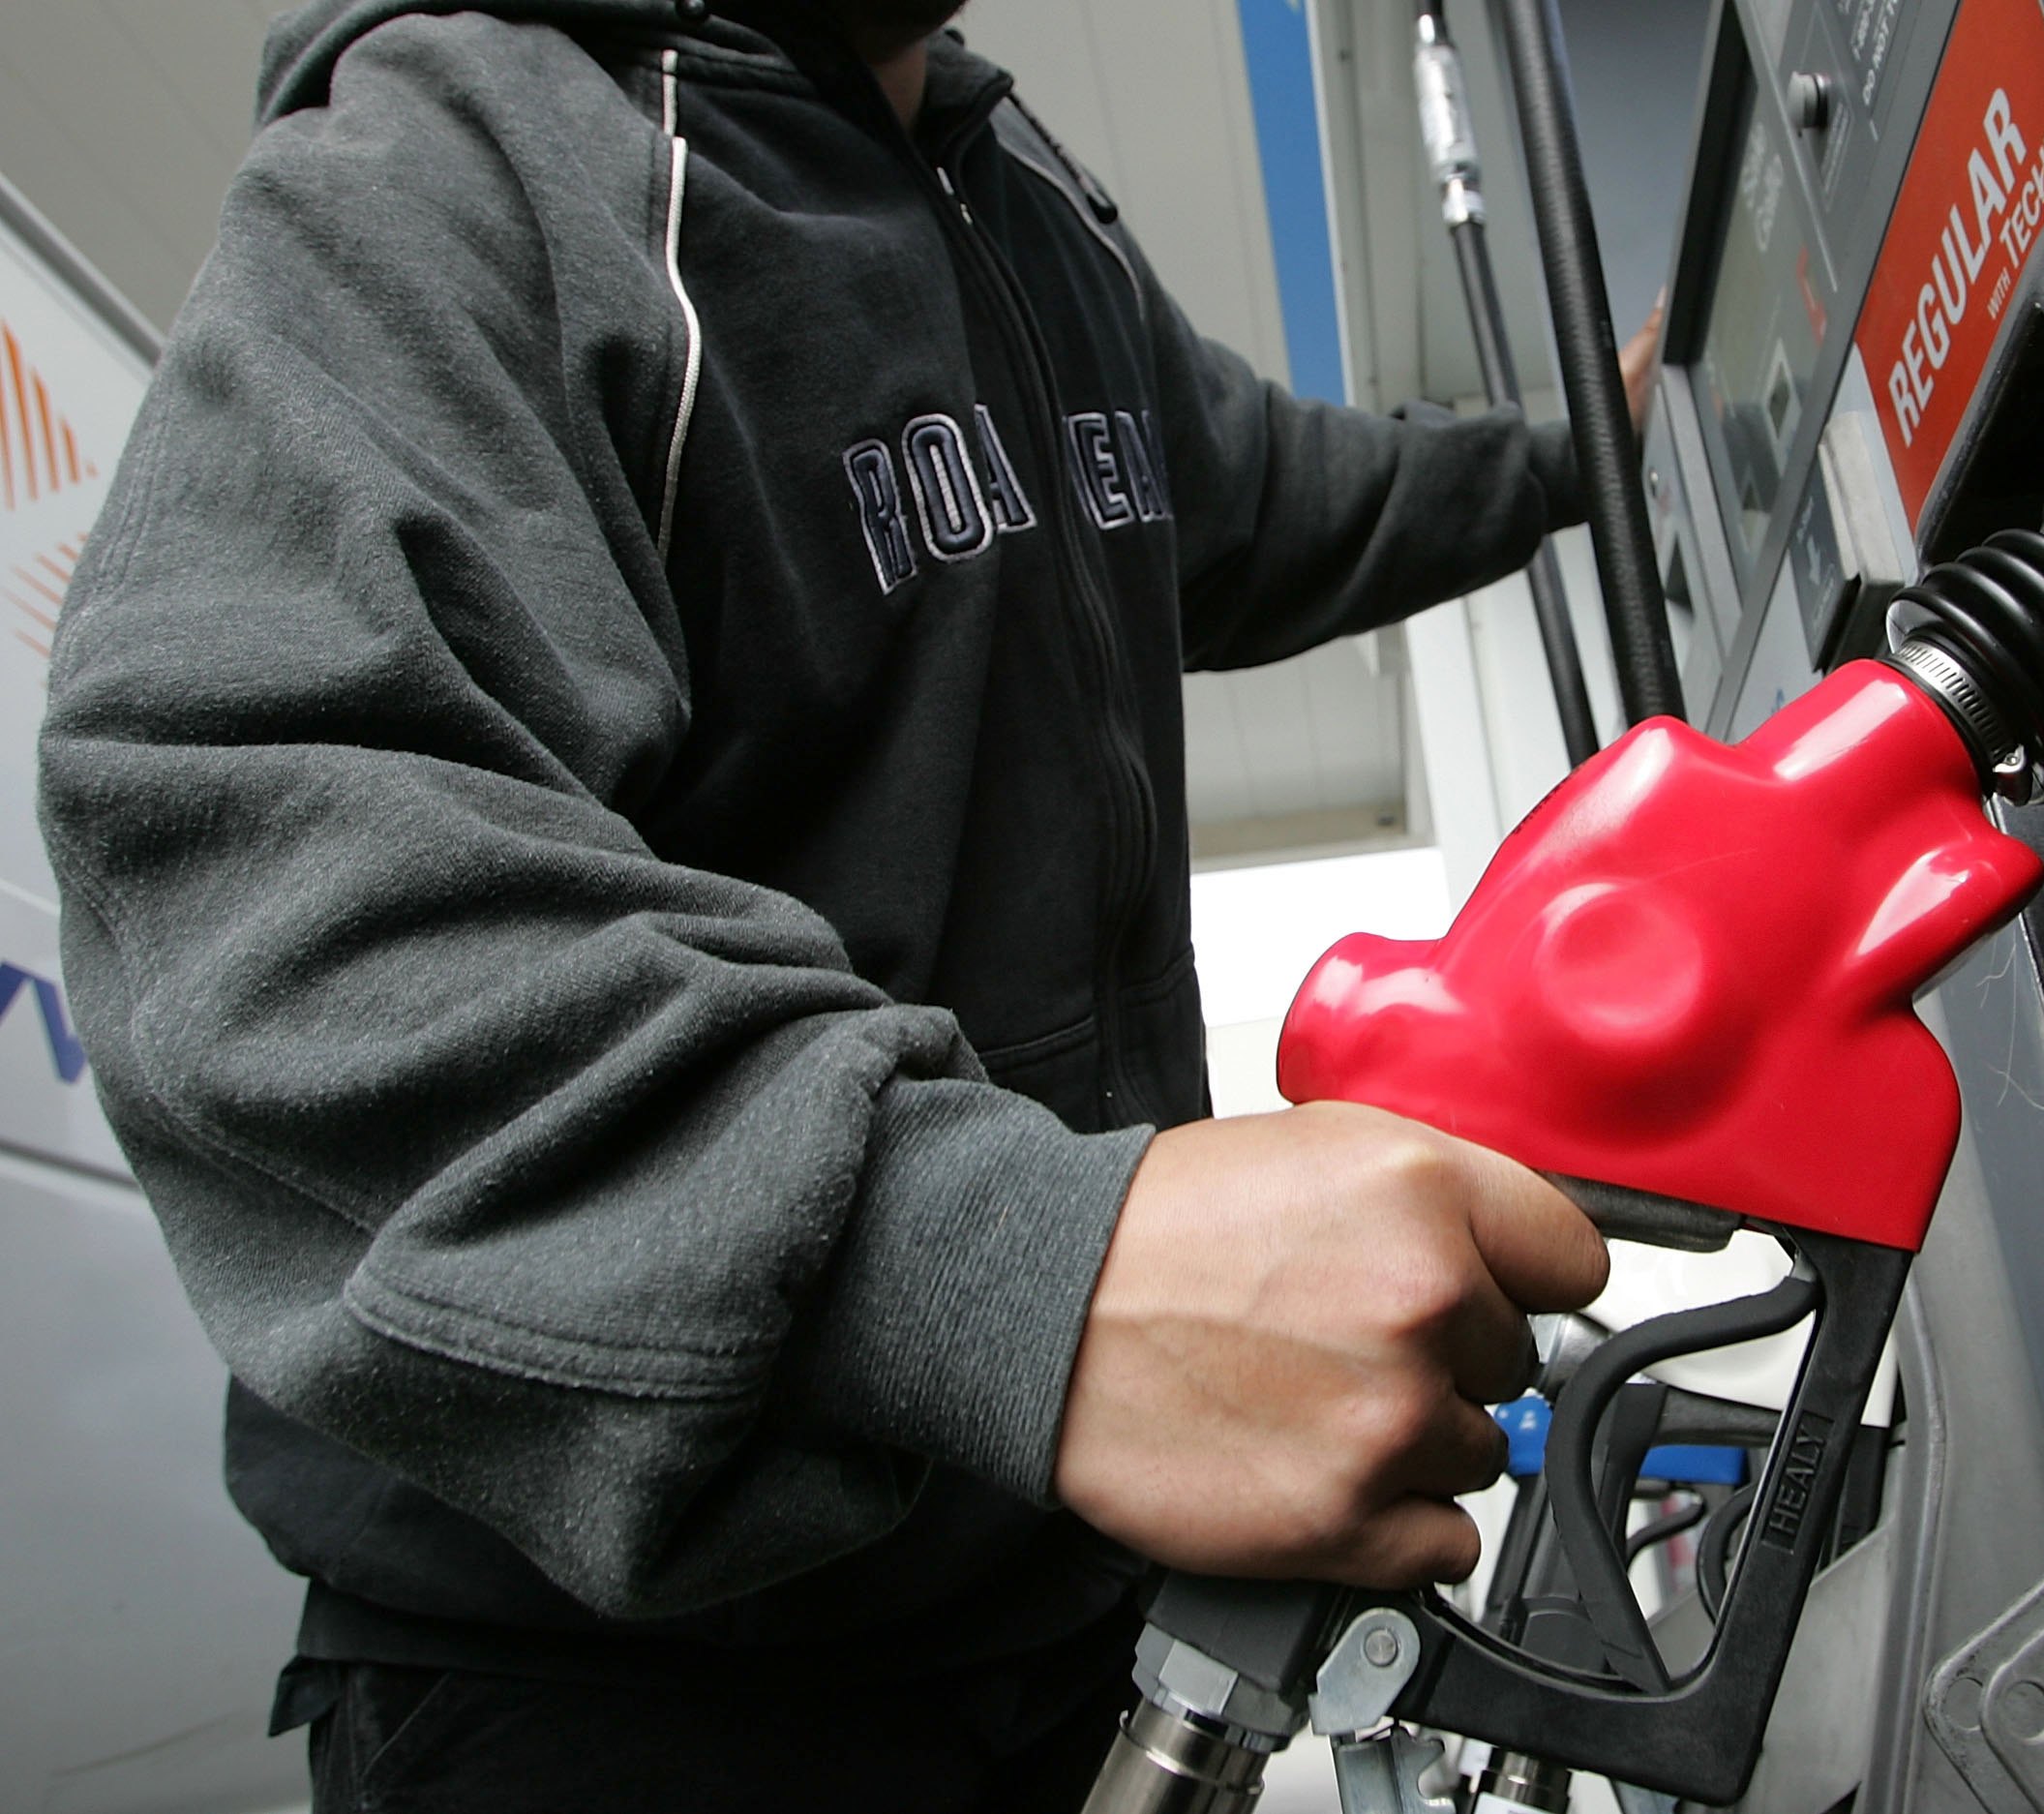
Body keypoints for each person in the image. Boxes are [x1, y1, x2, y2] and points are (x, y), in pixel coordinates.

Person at [38, 0, 1655, 1804]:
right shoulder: (481, 152)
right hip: (638, 1683)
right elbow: (256, 870)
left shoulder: (1026, 208)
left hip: (1048, 1602)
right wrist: (1027, 1271)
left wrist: (1589, 443)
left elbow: (1278, 496)